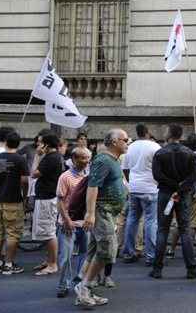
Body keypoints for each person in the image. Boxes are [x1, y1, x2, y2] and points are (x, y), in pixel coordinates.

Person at [74, 129, 128, 308]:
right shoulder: (104, 159)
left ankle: (84, 288)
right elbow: (93, 186)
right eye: (125, 139)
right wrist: (90, 213)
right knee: (107, 250)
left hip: (109, 213)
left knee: (96, 250)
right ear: (114, 142)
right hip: (102, 211)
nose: (128, 142)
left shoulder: (113, 160)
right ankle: (84, 287)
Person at [149, 124, 196, 280]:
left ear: (170, 134)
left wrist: (172, 186)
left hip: (166, 193)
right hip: (183, 194)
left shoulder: (160, 153)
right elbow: (193, 176)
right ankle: (191, 268)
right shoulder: (190, 154)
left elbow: (157, 175)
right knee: (184, 229)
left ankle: (157, 268)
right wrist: (180, 187)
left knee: (163, 229)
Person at [0, 131, 29, 275]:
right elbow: (24, 181)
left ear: (5, 142)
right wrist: (25, 196)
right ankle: (8, 264)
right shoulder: (20, 159)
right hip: (13, 201)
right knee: (12, 233)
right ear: (18, 143)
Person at [121, 123, 160, 266]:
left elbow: (125, 169)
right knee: (151, 222)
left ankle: (128, 252)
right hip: (150, 187)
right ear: (148, 132)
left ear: (137, 133)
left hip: (134, 187)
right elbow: (159, 168)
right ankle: (151, 255)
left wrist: (132, 181)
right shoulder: (154, 147)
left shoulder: (129, 147)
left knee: (132, 219)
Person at [56, 147, 91, 298]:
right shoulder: (65, 177)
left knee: (85, 255)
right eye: (82, 158)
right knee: (65, 257)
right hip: (68, 223)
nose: (86, 161)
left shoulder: (90, 177)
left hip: (85, 223)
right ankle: (63, 285)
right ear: (74, 159)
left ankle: (80, 283)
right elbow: (60, 201)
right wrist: (67, 220)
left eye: (88, 158)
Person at [30, 133, 64, 276]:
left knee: (48, 232)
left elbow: (33, 173)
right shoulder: (52, 157)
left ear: (46, 145)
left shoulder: (51, 158)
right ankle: (49, 260)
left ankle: (52, 264)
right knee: (47, 230)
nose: (38, 145)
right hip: (46, 197)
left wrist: (37, 156)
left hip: (47, 199)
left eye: (40, 142)